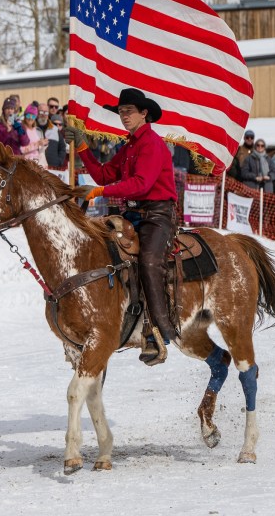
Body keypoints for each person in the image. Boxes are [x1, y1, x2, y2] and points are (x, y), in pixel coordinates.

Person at [64, 87, 177, 366]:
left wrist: (99, 191)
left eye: (129, 111)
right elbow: (104, 172)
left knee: (150, 262)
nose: (124, 116)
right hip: (133, 215)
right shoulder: (129, 146)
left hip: (157, 216)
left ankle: (158, 331)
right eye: (121, 112)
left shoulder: (151, 143)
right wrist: (82, 148)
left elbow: (142, 184)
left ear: (144, 113)